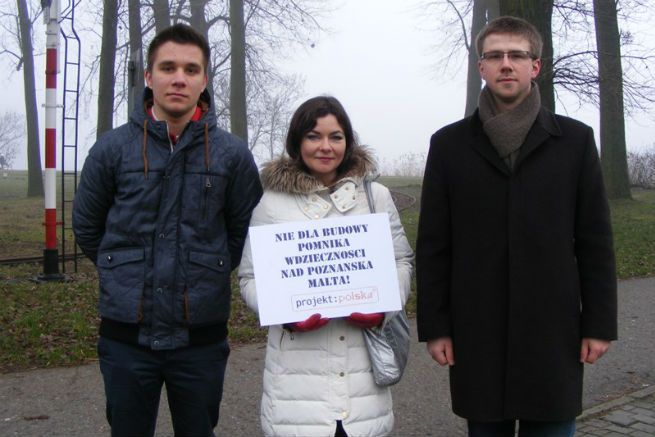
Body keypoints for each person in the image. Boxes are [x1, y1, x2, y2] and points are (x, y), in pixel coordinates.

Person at [416, 16, 617, 437]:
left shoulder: (575, 142)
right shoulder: (449, 145)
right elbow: (435, 245)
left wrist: (598, 324)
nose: (506, 64)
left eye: (517, 55)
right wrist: (436, 327)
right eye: (495, 56)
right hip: (477, 328)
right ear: (481, 68)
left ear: (535, 66)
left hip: (553, 328)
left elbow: (595, 240)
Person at [72, 24, 262, 437]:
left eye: (191, 69)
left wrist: (206, 270)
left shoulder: (231, 154)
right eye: (168, 67)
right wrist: (122, 269)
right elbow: (87, 228)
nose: (179, 78)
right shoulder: (112, 149)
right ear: (149, 76)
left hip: (200, 341)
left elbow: (244, 234)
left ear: (205, 80)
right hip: (126, 340)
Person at [238, 96, 414, 437]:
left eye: (336, 136)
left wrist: (384, 308)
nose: (325, 146)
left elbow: (400, 260)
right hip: (295, 387)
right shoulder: (272, 202)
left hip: (362, 379)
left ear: (348, 141)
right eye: (313, 136)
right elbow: (249, 277)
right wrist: (283, 311)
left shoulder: (374, 196)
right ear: (296, 141)